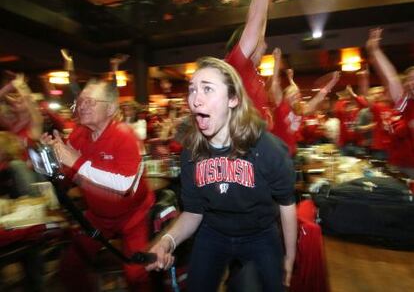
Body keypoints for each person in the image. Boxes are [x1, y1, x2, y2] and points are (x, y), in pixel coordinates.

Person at [146, 57, 297, 292]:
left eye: (207, 89)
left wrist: (290, 257)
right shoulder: (191, 153)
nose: (195, 99)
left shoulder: (265, 148)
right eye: (193, 89)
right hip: (213, 232)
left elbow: (287, 204)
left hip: (260, 234)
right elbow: (193, 213)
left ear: (233, 99)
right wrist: (166, 241)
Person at [41, 79, 155, 291]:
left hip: (133, 216)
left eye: (91, 102)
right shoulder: (79, 134)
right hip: (98, 216)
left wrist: (76, 161)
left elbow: (125, 185)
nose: (82, 105)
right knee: (70, 268)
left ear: (110, 108)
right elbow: (66, 176)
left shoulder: (125, 135)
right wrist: (50, 157)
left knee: (136, 274)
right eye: (81, 101)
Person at [269, 48, 341, 156]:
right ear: (286, 96)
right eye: (291, 93)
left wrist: (332, 82)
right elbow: (274, 84)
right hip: (277, 154)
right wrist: (277, 60)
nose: (295, 95)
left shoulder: (301, 110)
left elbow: (319, 97)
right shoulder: (281, 106)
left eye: (297, 94)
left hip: (292, 154)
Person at [366, 27, 414, 176]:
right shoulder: (406, 103)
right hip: (400, 164)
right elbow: (392, 78)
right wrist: (376, 50)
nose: (412, 83)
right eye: (410, 80)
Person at [225, 0, 274, 119]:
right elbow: (257, 17)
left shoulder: (251, 68)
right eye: (261, 41)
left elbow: (262, 15)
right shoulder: (237, 64)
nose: (265, 45)